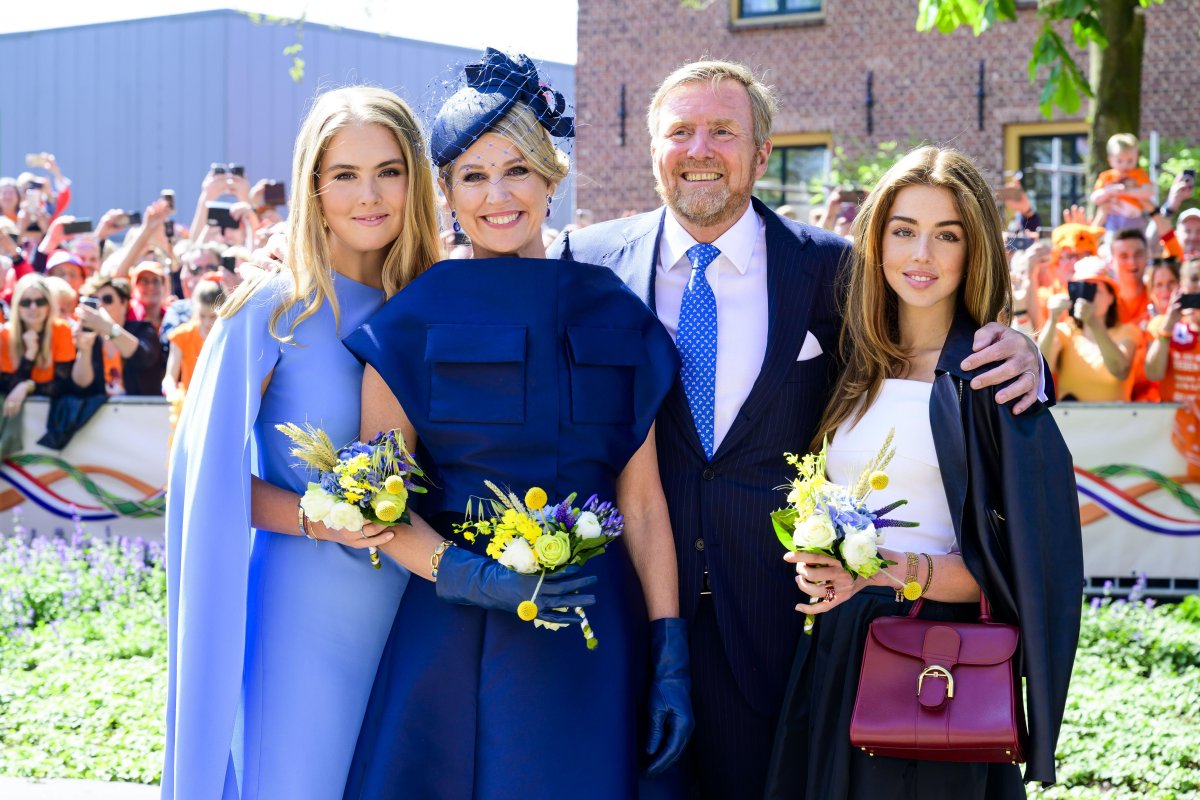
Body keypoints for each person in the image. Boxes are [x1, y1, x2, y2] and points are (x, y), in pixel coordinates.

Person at [549, 60, 1046, 799]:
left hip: (786, 625)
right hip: (627, 616)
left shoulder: (834, 270)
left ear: (762, 153)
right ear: (653, 148)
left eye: (723, 131)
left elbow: (920, 345)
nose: (699, 149)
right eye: (680, 131)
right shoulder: (584, 263)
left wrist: (1022, 351)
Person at [342, 49, 692, 800]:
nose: (497, 195)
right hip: (454, 634)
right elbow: (378, 508)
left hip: (595, 631)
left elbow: (641, 505)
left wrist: (669, 653)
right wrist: (480, 580)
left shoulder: (615, 311)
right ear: (445, 191)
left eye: (518, 170)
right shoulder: (407, 324)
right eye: (473, 175)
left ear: (551, 178)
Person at [765, 146, 1082, 799]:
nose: (922, 255)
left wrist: (879, 571)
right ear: (876, 241)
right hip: (838, 652)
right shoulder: (851, 364)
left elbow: (1024, 570)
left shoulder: (992, 379)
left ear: (975, 250)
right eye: (904, 230)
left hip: (936, 664)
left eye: (948, 235)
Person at [162, 86, 441, 800]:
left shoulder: (441, 305)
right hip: (304, 612)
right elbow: (207, 481)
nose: (369, 195)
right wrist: (325, 520)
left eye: (388, 171)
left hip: (424, 611)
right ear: (313, 187)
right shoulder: (272, 308)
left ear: (415, 180)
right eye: (345, 174)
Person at [1039, 257, 1138, 402]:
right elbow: (1041, 369)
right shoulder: (1064, 331)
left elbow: (1121, 371)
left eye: (1096, 290)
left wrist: (1093, 323)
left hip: (1116, 417)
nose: (1090, 298)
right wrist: (1052, 320)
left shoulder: (1127, 331)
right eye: (1084, 289)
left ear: (1111, 298)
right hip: (1072, 416)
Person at [72, 276, 164, 396]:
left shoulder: (143, 329)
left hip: (140, 407)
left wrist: (108, 328)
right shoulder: (90, 337)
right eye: (95, 300)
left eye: (107, 299)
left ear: (124, 303)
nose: (100, 306)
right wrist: (85, 351)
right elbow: (82, 384)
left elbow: (143, 358)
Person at [1, 273, 76, 416]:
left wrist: (28, 386)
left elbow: (63, 385)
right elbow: (9, 386)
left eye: (40, 301)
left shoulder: (62, 329)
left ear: (49, 305)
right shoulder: (6, 334)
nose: (33, 307)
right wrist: (30, 354)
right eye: (26, 302)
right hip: (16, 417)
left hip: (50, 415)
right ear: (17, 306)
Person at [161, 279, 223, 398]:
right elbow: (170, 377)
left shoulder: (227, 336)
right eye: (202, 316)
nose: (207, 322)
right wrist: (170, 390)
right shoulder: (182, 335)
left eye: (212, 316)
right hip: (188, 400)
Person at [1090, 133, 1155, 235]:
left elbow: (1149, 192)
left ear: (1137, 157)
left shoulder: (1139, 174)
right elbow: (1095, 198)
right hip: (1112, 217)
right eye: (1120, 161)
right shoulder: (1106, 176)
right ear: (1110, 159)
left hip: (1134, 217)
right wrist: (1108, 191)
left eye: (1130, 161)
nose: (1125, 165)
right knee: (1111, 239)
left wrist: (1127, 191)